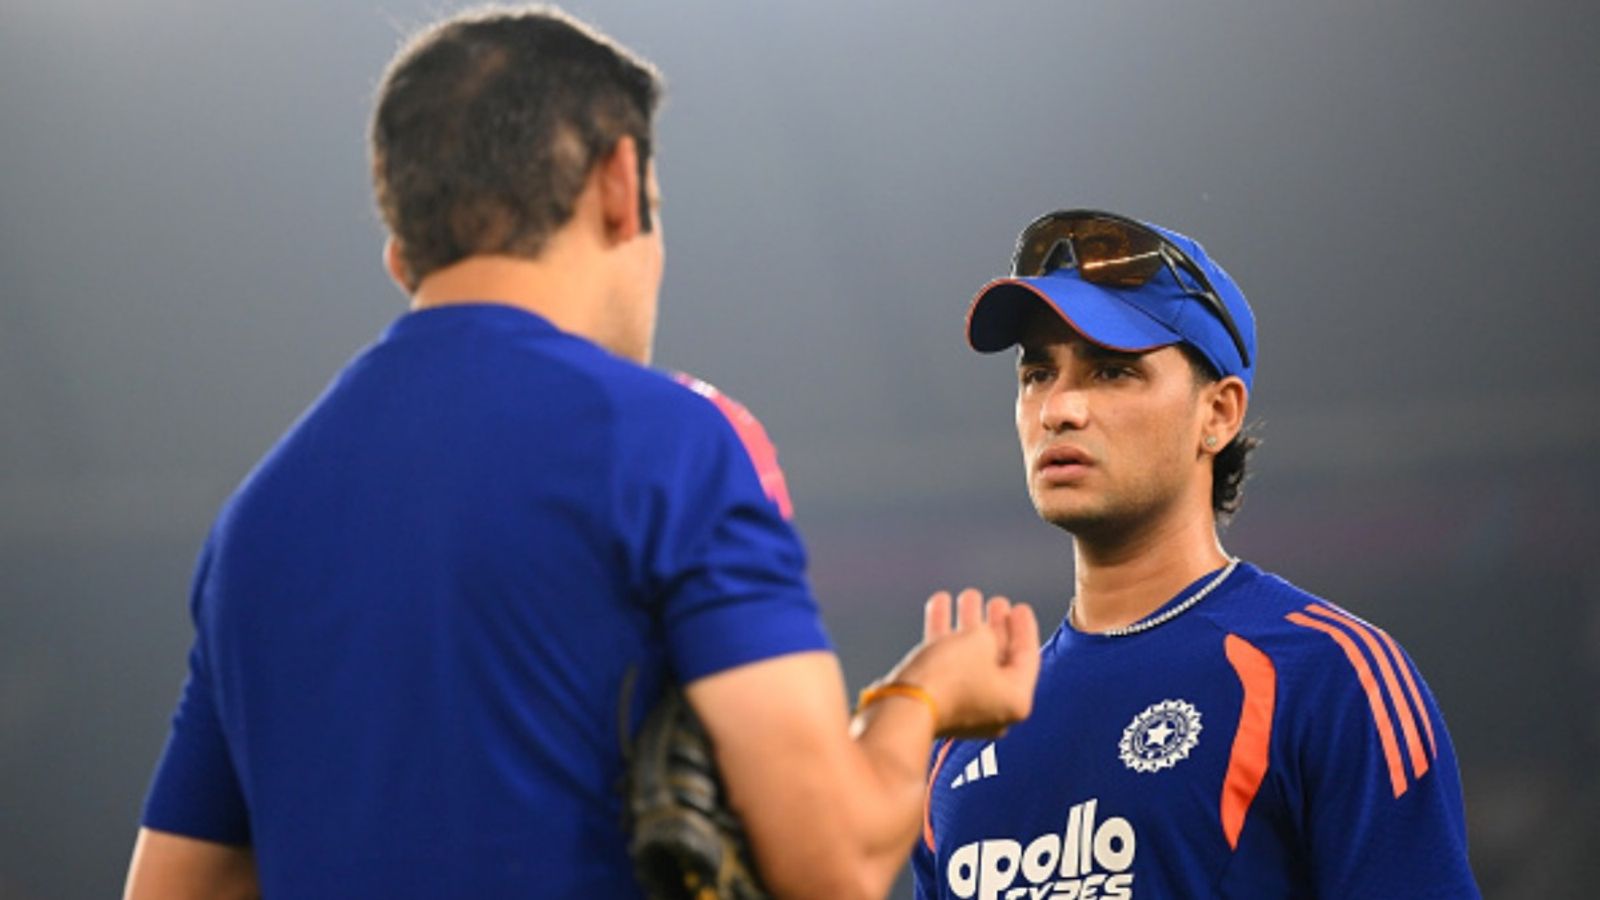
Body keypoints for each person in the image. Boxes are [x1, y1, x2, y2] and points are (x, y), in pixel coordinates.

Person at [121, 8, 1040, 899]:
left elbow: (172, 889)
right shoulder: (669, 446)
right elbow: (831, 862)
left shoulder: (259, 519)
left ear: (402, 249)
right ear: (618, 183)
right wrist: (919, 699)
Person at [912, 208, 1480, 898]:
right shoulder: (964, 736)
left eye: (1111, 371)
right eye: (1037, 374)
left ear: (1218, 414)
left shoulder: (1328, 676)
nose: (1058, 409)